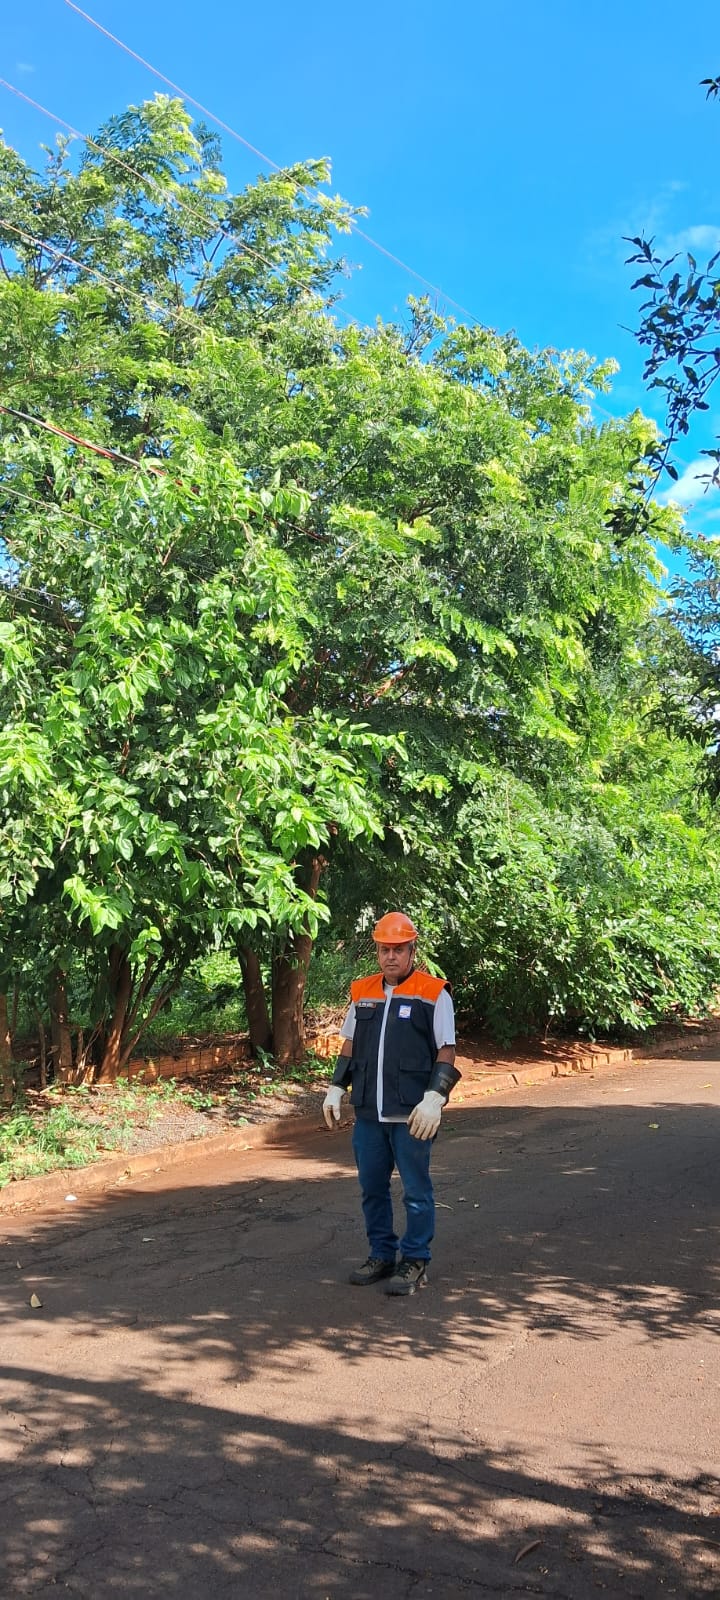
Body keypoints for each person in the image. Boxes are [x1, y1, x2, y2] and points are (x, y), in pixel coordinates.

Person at [322, 912, 460, 1295]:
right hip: (369, 1112)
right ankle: (381, 1253)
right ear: (377, 951)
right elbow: (350, 1044)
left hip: (412, 1113)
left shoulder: (434, 993)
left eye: (399, 949)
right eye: (385, 949)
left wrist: (436, 1097)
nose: (391, 956)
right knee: (371, 1187)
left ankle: (415, 1259)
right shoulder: (362, 991)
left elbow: (446, 1050)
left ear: (412, 950)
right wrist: (337, 1086)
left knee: (415, 1189)